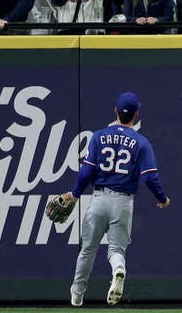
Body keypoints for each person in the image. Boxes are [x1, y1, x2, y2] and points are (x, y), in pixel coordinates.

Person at [64, 92, 171, 307]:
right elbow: (149, 177)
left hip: (99, 199)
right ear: (137, 114)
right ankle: (118, 269)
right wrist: (162, 198)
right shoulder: (141, 142)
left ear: (115, 111)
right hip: (123, 202)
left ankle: (77, 294)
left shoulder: (99, 136)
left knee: (88, 249)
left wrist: (74, 195)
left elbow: (86, 173)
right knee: (115, 250)